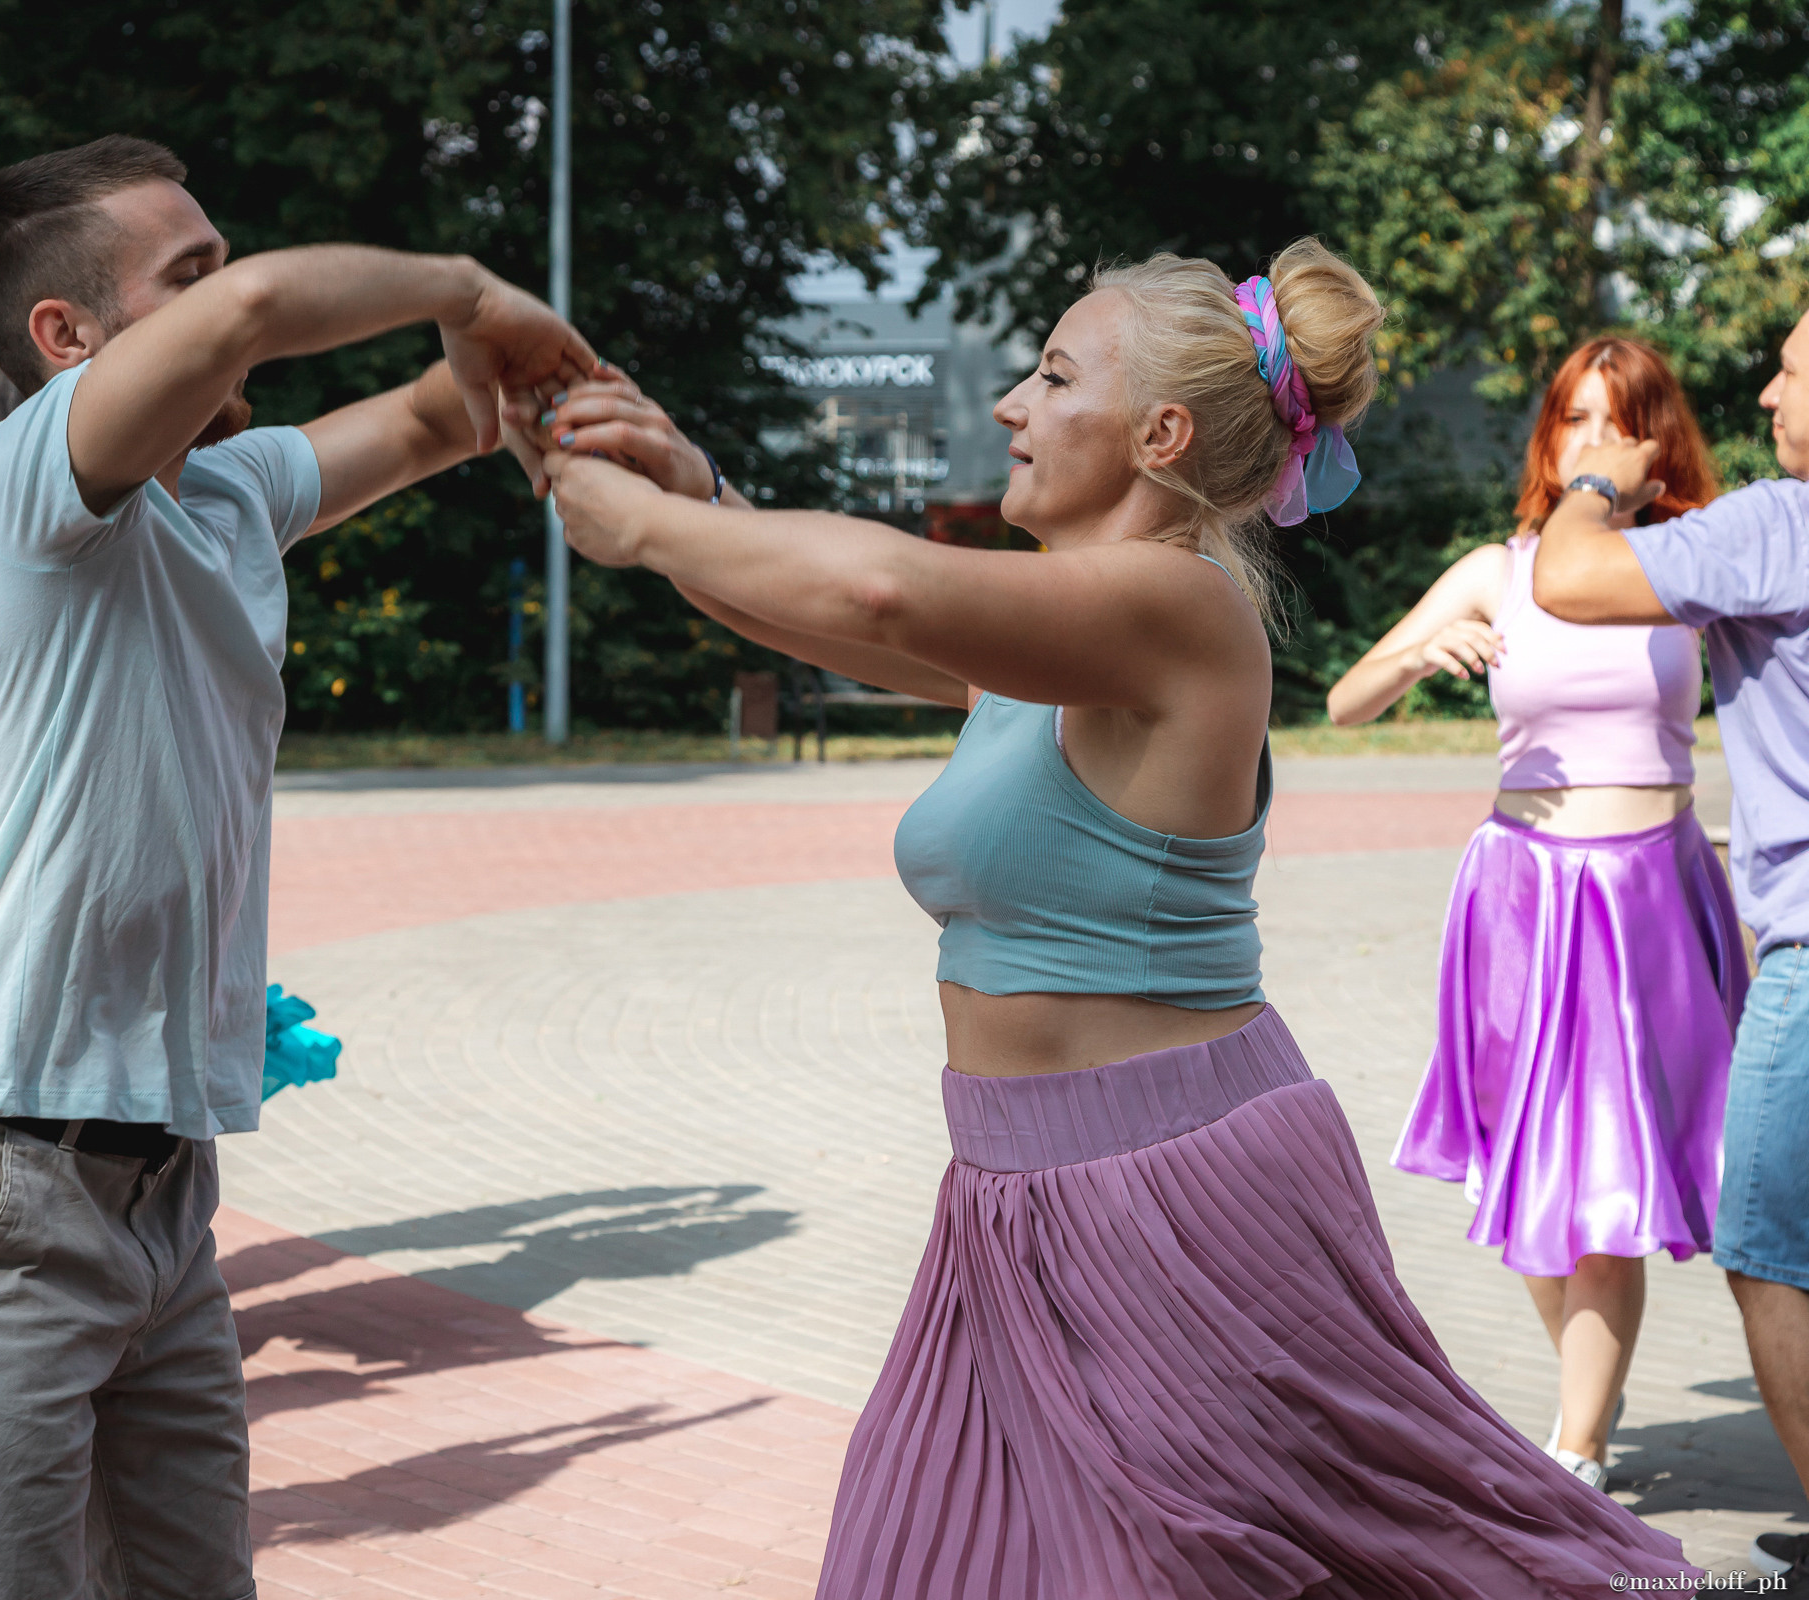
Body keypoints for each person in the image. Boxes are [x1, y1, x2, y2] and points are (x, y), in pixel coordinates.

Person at [533, 243, 1699, 1593]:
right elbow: (815, 618)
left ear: (1160, 434)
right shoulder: (1048, 645)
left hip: (1165, 1199)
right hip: (1012, 1199)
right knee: (931, 1555)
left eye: (1052, 375)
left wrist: (641, 521)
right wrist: (692, 489)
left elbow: (879, 587)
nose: (1010, 406)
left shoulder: (1177, 603)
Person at [0, 134, 589, 1599]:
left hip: (164, 1194)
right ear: (68, 338)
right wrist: (465, 285)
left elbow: (444, 417)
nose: (229, 293)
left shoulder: (235, 490)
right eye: (185, 276)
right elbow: (260, 314)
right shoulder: (23, 486)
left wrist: (511, 379)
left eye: (218, 261)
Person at [1325, 337, 1745, 1490]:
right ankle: (1585, 1403)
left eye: (1620, 422)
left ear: (1660, 445)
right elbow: (1346, 701)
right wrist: (1422, 652)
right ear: (1547, 440)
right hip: (1519, 903)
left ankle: (1578, 1449)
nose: (1593, 444)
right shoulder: (1495, 569)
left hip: (1646, 901)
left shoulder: (1689, 563)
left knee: (1608, 1185)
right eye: (1574, 419)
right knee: (1533, 1182)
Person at [1532, 306, 1809, 1579]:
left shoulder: (1776, 527)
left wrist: (1597, 485)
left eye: (1791, 372)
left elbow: (1567, 577)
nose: (1767, 394)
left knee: (1769, 1247)